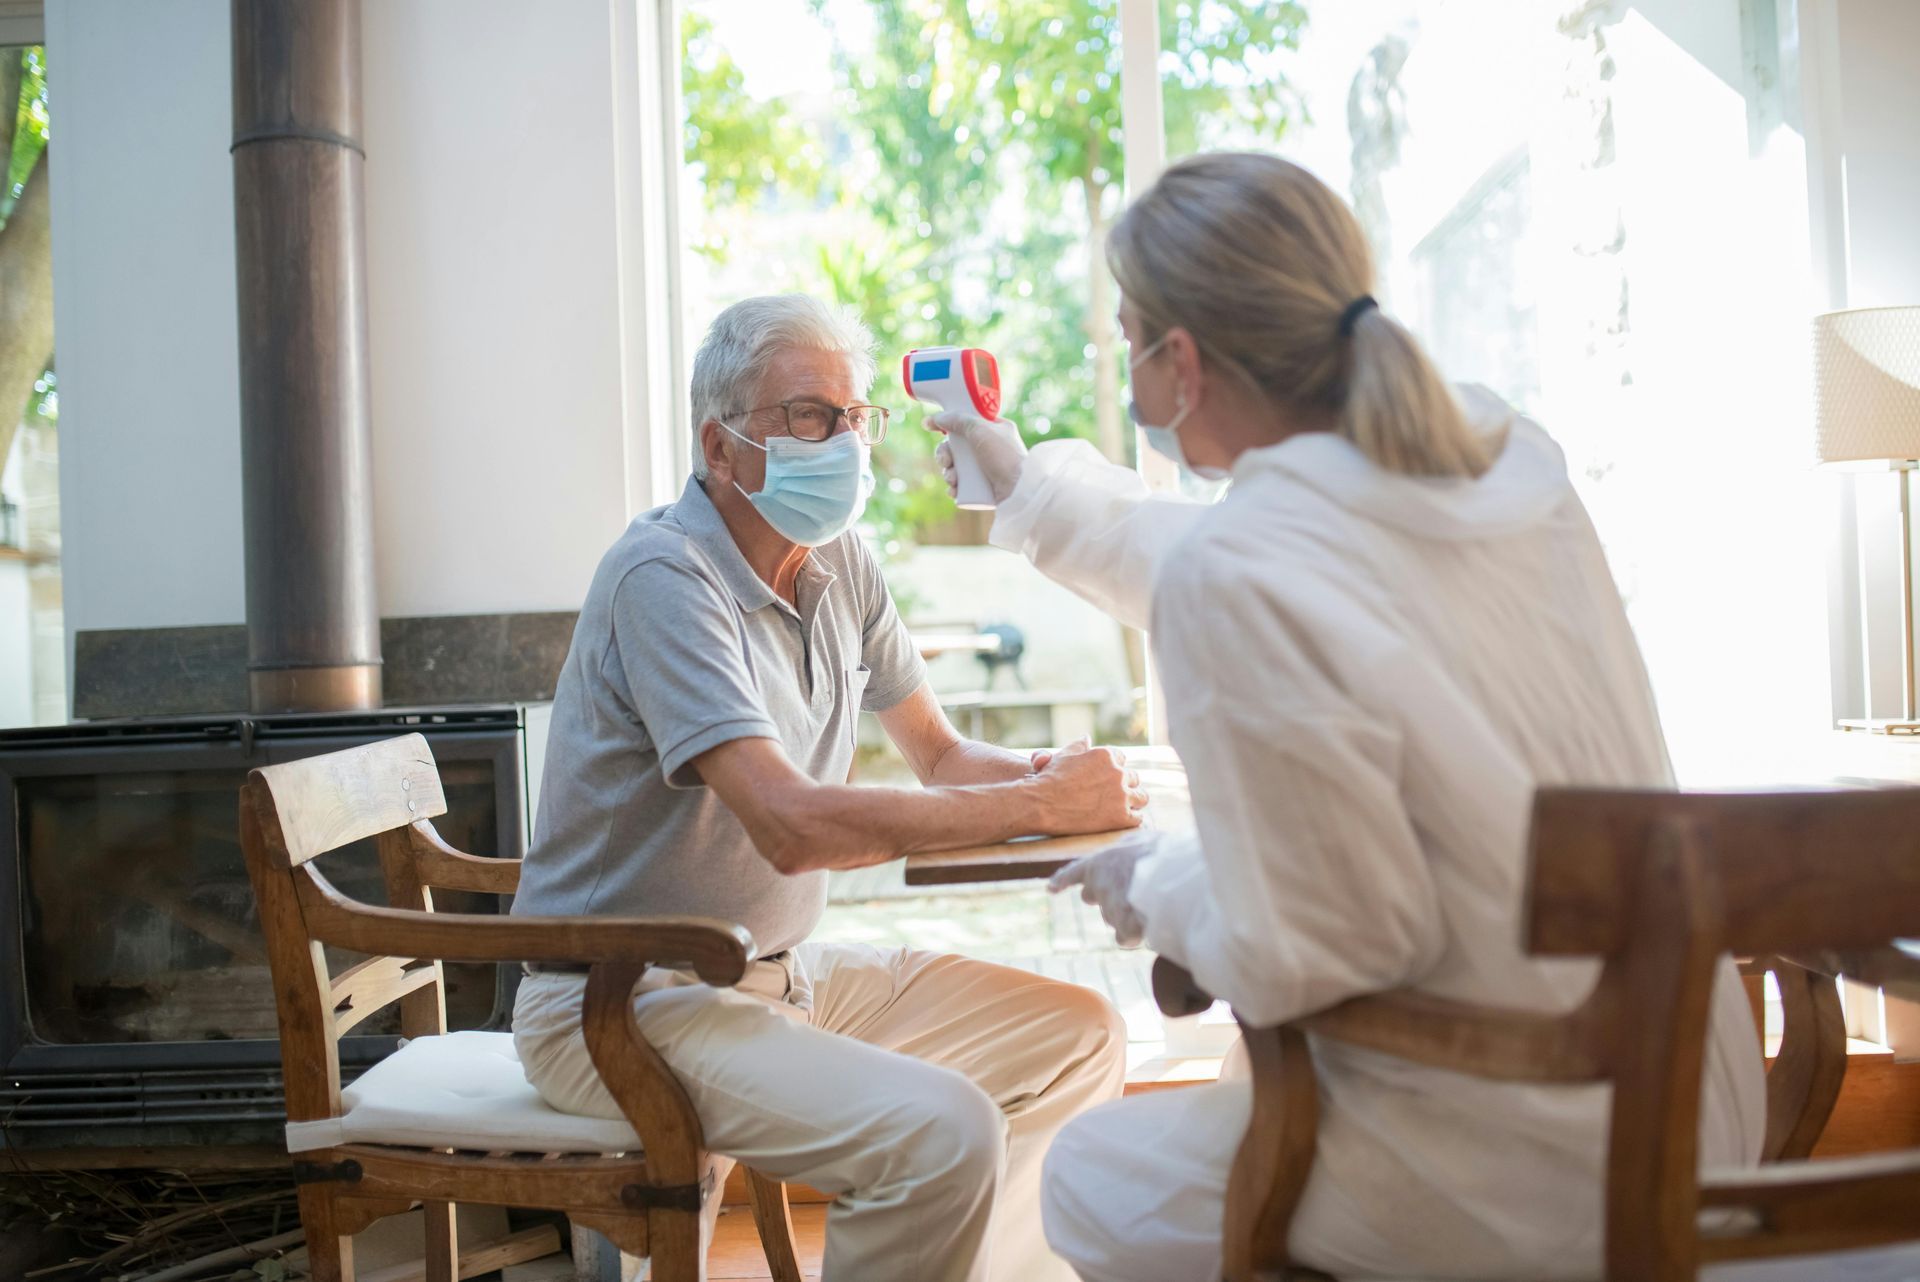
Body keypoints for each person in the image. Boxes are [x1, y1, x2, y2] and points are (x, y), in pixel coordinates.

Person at [933, 153, 1764, 1280]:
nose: (1128, 380)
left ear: (1181, 365)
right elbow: (1240, 549)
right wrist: (1028, 490)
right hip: (1697, 1117)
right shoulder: (1509, 462)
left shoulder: (1243, 569)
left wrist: (1160, 884)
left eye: (1130, 343)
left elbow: (1312, 955)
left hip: (1524, 1170)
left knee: (1095, 1173)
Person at [511, 294, 1144, 1282]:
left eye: (853, 415)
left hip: (775, 972)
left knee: (1078, 1036)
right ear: (722, 451)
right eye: (809, 415)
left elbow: (940, 757)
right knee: (942, 1133)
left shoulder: (843, 563)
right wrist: (1032, 808)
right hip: (619, 1003)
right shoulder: (664, 576)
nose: (844, 440)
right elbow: (788, 825)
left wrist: (1055, 778)